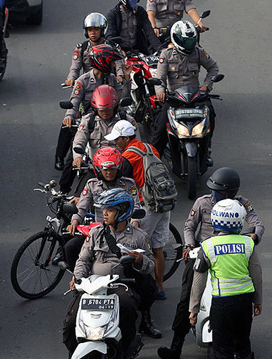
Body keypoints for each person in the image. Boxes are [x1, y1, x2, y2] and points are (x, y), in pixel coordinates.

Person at [157, 167, 264, 359]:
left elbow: (258, 224)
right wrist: (189, 245)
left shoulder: (242, 204)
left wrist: (254, 236)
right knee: (186, 298)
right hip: (203, 254)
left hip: (231, 254)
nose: (213, 193)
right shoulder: (202, 202)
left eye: (218, 191)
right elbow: (189, 226)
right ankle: (176, 347)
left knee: (241, 291)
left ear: (229, 193)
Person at [62, 188, 155, 359]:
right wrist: (77, 278)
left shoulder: (138, 237)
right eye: (104, 209)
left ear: (122, 212)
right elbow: (83, 260)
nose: (104, 213)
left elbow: (151, 265)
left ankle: (123, 354)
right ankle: (73, 354)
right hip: (93, 285)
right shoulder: (96, 232)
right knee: (71, 321)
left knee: (128, 309)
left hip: (121, 285)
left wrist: (139, 260)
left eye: (110, 210)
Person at [188, 199, 263, 359]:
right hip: (244, 302)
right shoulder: (248, 243)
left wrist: (193, 309)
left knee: (223, 350)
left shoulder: (207, 246)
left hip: (222, 304)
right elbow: (257, 274)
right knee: (244, 345)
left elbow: (199, 280)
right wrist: (258, 301)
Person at [108, 120, 168, 302]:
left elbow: (124, 184)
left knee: (137, 248)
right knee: (157, 249)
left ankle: (142, 291)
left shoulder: (128, 156)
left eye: (117, 140)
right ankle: (159, 288)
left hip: (146, 206)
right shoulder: (149, 147)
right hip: (164, 202)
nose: (115, 143)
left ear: (126, 138)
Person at [59, 44, 132, 193]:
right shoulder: (83, 80)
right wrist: (69, 116)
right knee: (72, 158)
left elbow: (123, 98)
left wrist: (126, 79)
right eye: (110, 62)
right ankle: (63, 191)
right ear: (102, 61)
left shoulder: (112, 80)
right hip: (88, 118)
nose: (112, 65)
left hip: (112, 118)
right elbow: (74, 102)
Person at [55, 12, 123, 170]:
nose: (93, 32)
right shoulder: (82, 48)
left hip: (107, 91)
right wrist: (71, 79)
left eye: (96, 29)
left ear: (102, 30)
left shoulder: (112, 48)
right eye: (90, 29)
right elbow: (75, 67)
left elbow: (119, 65)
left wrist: (120, 76)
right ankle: (60, 156)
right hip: (88, 92)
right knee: (69, 124)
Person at [62, 147, 141, 270]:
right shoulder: (92, 184)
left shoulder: (128, 185)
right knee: (70, 247)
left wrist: (134, 226)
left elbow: (136, 207)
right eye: (105, 169)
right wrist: (74, 222)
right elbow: (82, 207)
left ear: (118, 168)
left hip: (123, 232)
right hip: (98, 231)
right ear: (98, 169)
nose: (109, 172)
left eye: (112, 169)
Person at [151, 20, 218, 164]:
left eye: (191, 41)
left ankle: (206, 149)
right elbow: (159, 77)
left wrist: (206, 86)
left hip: (196, 96)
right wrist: (160, 91)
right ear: (176, 39)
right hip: (174, 98)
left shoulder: (198, 52)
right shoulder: (166, 55)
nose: (189, 44)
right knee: (160, 129)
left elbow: (213, 69)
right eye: (185, 41)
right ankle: (154, 160)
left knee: (211, 116)